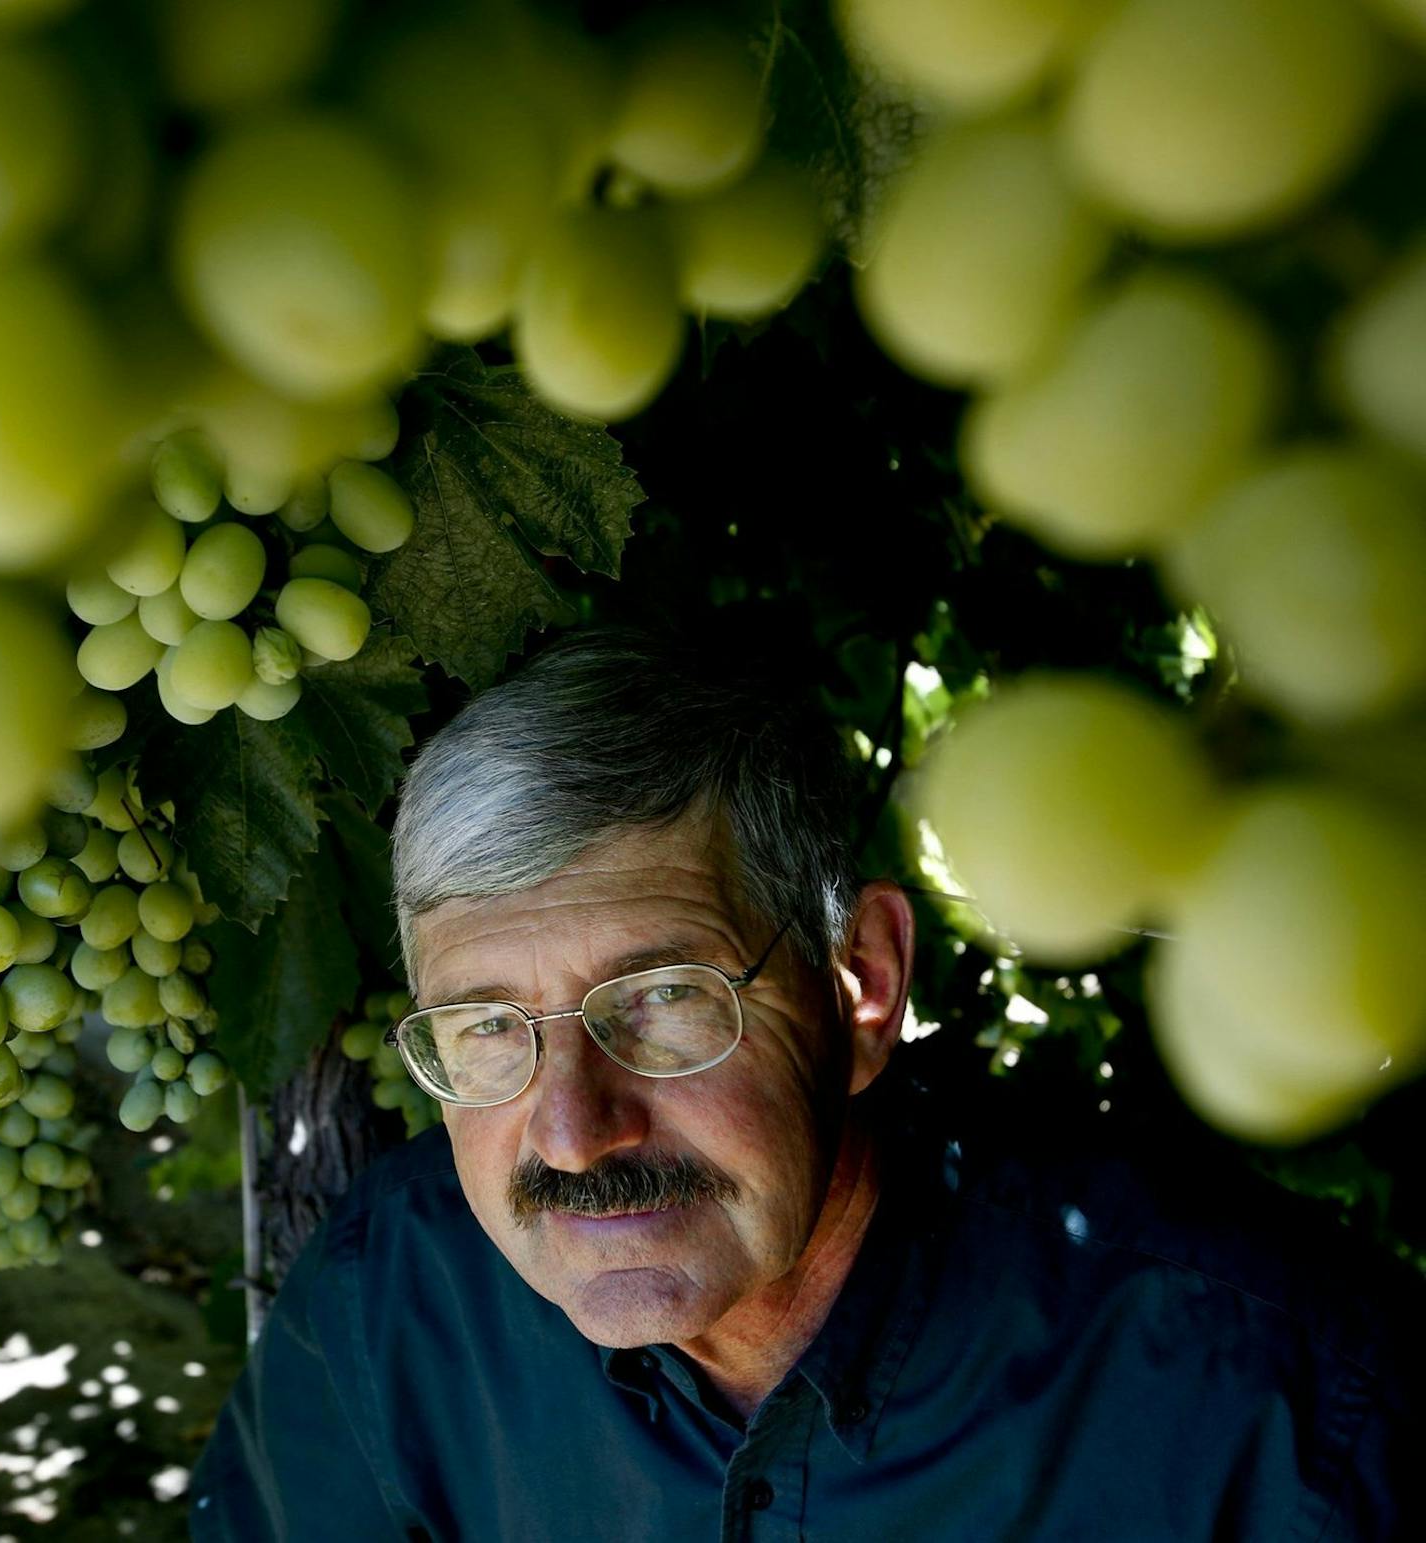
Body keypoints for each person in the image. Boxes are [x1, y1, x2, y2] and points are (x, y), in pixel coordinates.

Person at [187, 627, 1422, 1541]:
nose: (571, 1133)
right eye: (488, 1028)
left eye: (665, 1000)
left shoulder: (1287, 1415)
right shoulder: (389, 1302)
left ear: (862, 984)